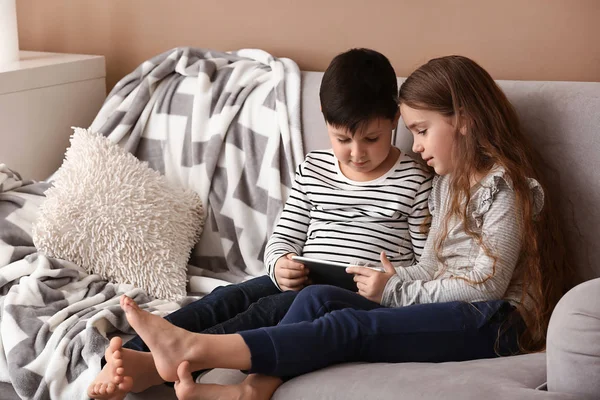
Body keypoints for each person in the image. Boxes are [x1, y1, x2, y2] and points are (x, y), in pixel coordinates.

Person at [102, 55, 573, 400]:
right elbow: (430, 265)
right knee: (308, 297)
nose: (416, 144)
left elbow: (485, 287)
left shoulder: (506, 188)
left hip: (497, 324)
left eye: (422, 130)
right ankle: (231, 382)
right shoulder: (449, 186)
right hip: (451, 306)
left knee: (347, 324)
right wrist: (393, 280)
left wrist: (393, 290)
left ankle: (192, 349)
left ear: (465, 121)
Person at [87, 48, 432, 399]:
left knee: (268, 311)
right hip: (301, 279)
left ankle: (171, 363)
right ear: (325, 120)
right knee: (229, 297)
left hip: (354, 297)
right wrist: (280, 262)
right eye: (342, 139)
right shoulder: (315, 168)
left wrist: (392, 282)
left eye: (370, 139)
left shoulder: (415, 180)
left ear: (395, 118)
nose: (356, 153)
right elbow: (285, 232)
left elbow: (427, 265)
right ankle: (130, 356)